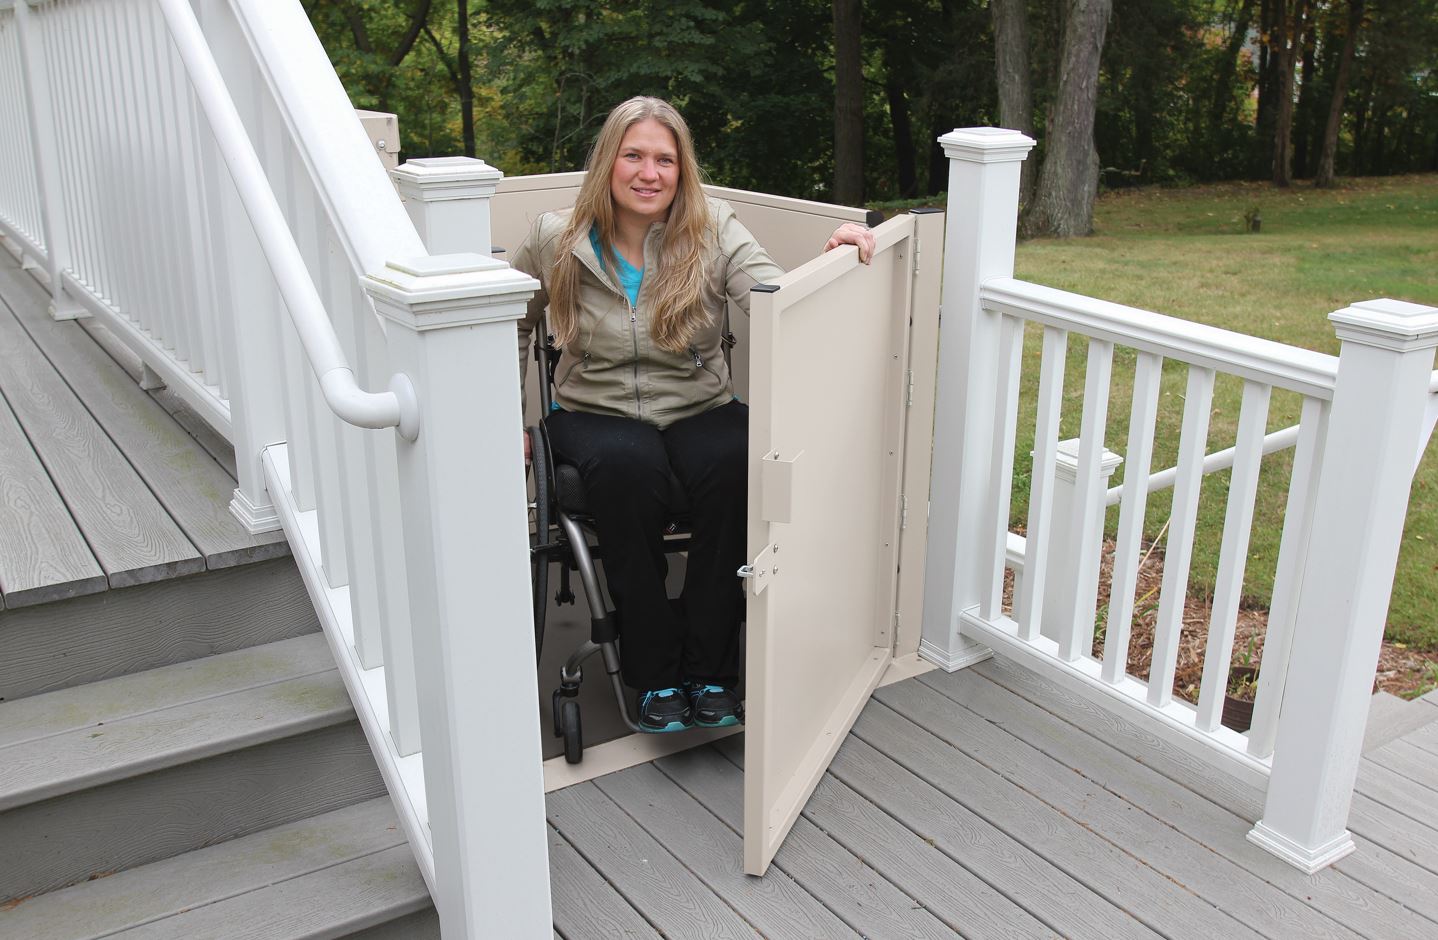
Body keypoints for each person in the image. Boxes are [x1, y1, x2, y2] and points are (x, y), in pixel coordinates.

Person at [513, 96, 874, 733]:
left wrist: (833, 256)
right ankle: (653, 673)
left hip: (697, 402)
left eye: (665, 159)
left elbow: (777, 295)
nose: (649, 173)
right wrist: (506, 419)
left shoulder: (713, 231)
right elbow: (507, 325)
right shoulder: (555, 238)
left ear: (682, 170)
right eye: (634, 156)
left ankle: (710, 669)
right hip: (592, 409)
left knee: (738, 460)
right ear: (608, 162)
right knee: (629, 468)